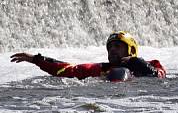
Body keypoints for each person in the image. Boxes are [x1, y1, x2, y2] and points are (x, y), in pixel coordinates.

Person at [10, 31, 166, 80]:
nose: (112, 50)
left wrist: (136, 63)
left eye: (117, 46)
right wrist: (35, 59)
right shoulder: (99, 69)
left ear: (131, 50)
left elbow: (160, 75)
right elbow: (67, 69)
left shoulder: (152, 63)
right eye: (110, 47)